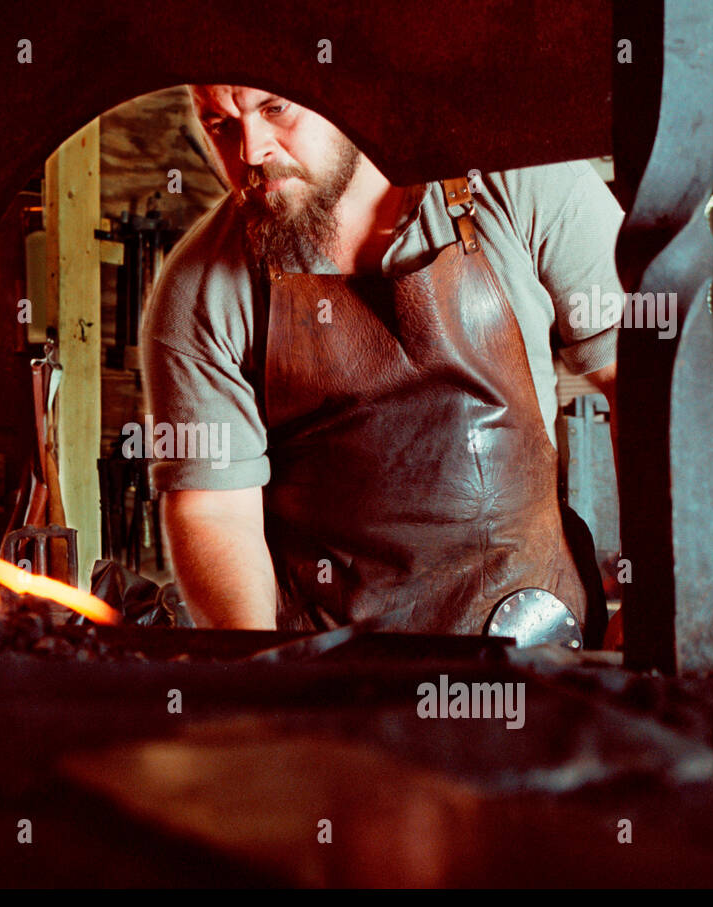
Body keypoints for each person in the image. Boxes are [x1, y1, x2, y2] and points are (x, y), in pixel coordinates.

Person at [141, 84, 622, 644]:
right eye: (220, 124)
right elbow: (214, 511)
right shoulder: (199, 285)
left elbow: (647, 383)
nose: (250, 150)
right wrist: (257, 675)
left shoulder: (524, 181)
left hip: (538, 647)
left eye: (274, 109)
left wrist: (654, 604)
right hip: (331, 678)